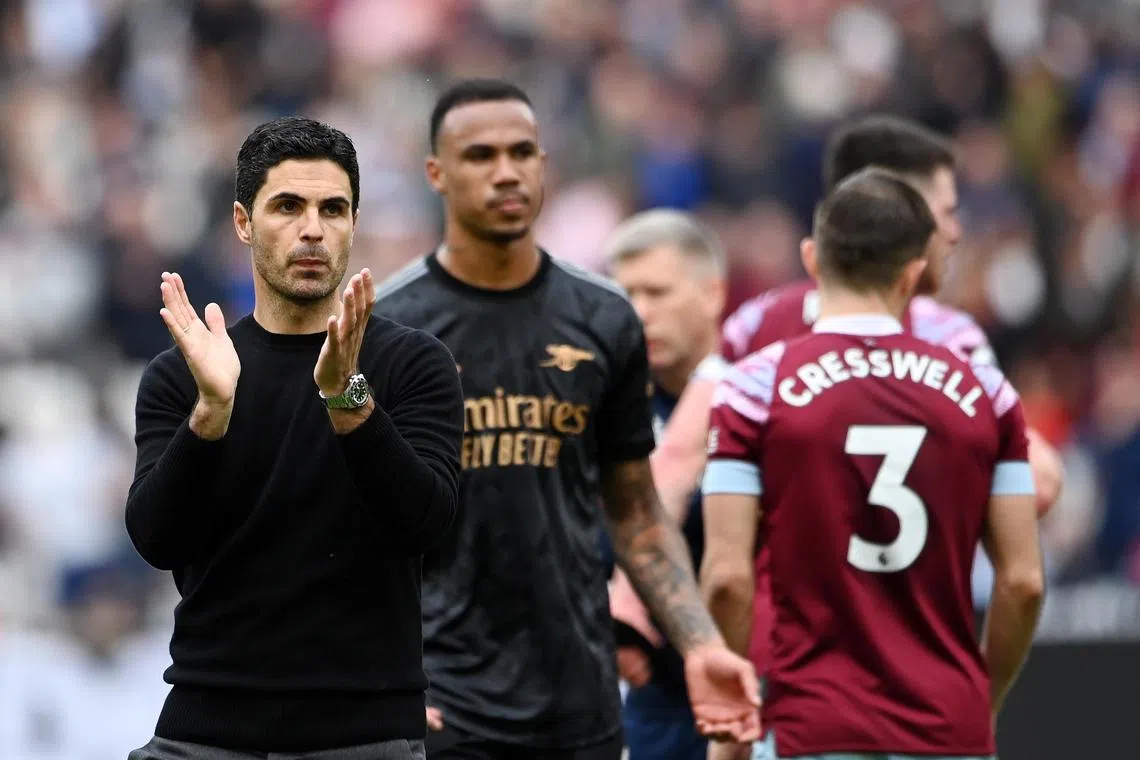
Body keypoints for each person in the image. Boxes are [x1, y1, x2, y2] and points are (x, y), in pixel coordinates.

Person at [372, 78, 760, 760]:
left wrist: (701, 645)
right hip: (441, 706)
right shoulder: (392, 328)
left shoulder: (605, 317)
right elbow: (352, 525)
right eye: (480, 155)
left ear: (544, 165)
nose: (506, 172)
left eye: (522, 152)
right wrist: (375, 678)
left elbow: (636, 513)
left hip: (579, 705)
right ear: (436, 173)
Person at [650, 115, 1062, 689]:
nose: (957, 231)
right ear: (897, 209)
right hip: (932, 689)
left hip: (792, 682)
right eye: (946, 211)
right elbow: (1037, 487)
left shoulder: (756, 334)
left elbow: (674, 467)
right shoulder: (955, 347)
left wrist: (635, 601)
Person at [124, 116, 464, 760]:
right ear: (243, 222)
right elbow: (155, 538)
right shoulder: (187, 373)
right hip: (205, 729)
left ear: (353, 223)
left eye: (333, 209)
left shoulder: (412, 364)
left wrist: (348, 399)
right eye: (288, 206)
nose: (313, 229)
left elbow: (428, 525)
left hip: (364, 736)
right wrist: (212, 412)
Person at [701, 168, 1046, 760]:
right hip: (948, 726)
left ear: (812, 259)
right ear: (914, 274)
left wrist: (733, 721)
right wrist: (979, 703)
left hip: (812, 724)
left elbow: (729, 579)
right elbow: (1022, 582)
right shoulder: (986, 392)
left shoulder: (753, 387)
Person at [601, 209, 729, 760]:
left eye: (657, 292)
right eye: (628, 294)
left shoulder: (758, 400)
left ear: (711, 294)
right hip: (645, 690)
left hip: (751, 677)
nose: (641, 312)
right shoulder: (606, 408)